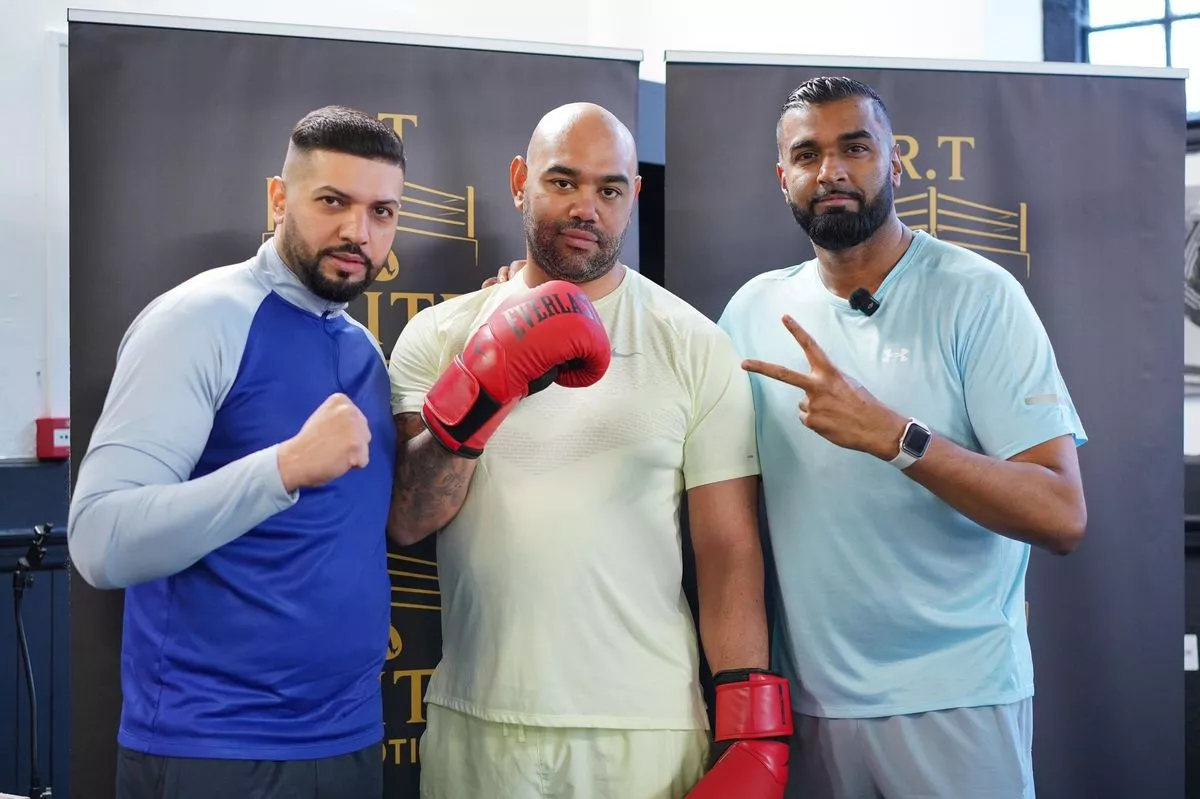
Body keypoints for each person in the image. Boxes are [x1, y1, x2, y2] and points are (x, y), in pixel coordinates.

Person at [386, 102, 792, 799]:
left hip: (647, 728)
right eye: (563, 182)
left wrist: (751, 730)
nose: (586, 208)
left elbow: (728, 548)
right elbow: (409, 519)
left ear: (633, 196)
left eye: (608, 189)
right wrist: (488, 386)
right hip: (481, 720)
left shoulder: (693, 343)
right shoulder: (439, 336)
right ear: (520, 181)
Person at [717, 77, 1089, 798]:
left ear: (895, 163)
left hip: (958, 699)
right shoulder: (752, 311)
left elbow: (1061, 514)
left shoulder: (977, 295)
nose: (832, 171)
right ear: (782, 177)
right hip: (809, 707)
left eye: (854, 148)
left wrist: (898, 437)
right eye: (808, 154)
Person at [67, 105, 406, 799]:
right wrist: (282, 467)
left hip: (350, 739)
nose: (358, 231)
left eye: (382, 211)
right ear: (279, 198)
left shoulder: (362, 348)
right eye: (333, 202)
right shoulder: (200, 321)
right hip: (215, 745)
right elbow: (100, 539)